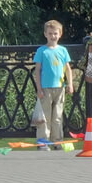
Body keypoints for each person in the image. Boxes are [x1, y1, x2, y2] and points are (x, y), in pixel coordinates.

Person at [31, 20, 74, 149]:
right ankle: (43, 142)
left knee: (57, 116)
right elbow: (37, 70)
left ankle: (57, 142)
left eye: (55, 33)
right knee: (45, 117)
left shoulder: (63, 50)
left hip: (60, 87)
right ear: (45, 34)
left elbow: (67, 68)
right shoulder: (42, 51)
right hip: (45, 87)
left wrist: (70, 84)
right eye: (50, 33)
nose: (53, 36)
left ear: (60, 34)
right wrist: (39, 88)